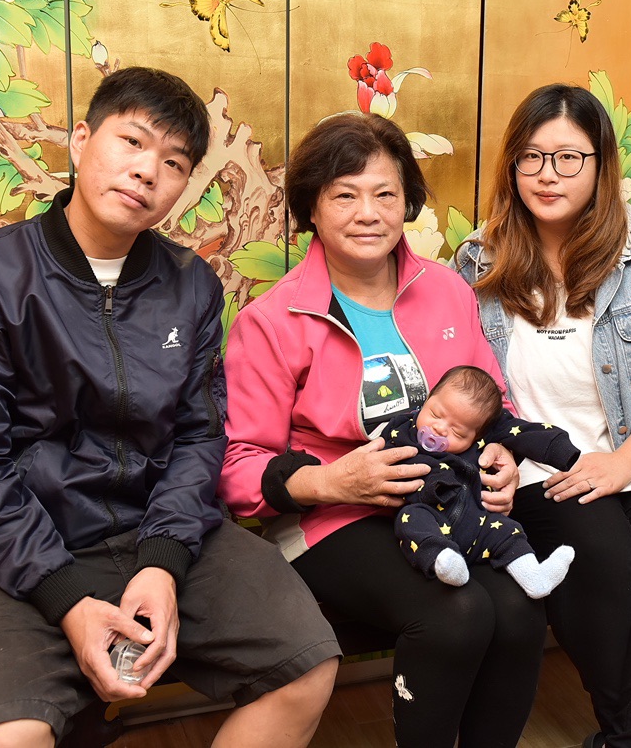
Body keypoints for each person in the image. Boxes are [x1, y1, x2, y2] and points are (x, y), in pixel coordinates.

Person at [0, 67, 340, 748]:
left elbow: (199, 436)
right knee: (6, 738)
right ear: (82, 141)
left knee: (306, 665)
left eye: (174, 163)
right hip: (26, 548)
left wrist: (163, 563)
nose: (147, 171)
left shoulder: (190, 284)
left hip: (164, 531)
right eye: (133, 142)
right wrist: (64, 598)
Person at [220, 114, 545, 748]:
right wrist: (332, 482)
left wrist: (502, 456)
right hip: (330, 520)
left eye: (385, 194)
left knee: (519, 607)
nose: (368, 213)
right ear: (313, 208)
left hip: (448, 504)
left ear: (407, 203)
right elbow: (238, 466)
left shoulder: (447, 291)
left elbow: (492, 402)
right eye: (345, 195)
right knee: (456, 613)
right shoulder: (272, 320)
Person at [455, 83, 631, 748]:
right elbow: (460, 372)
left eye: (568, 157)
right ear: (512, 166)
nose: (547, 175)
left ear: (601, 164)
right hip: (541, 466)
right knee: (603, 566)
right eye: (531, 157)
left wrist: (627, 460)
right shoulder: (479, 261)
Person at [385, 365, 576, 598]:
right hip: (429, 512)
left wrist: (561, 450)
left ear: (477, 434)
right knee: (411, 519)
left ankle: (534, 578)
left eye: (458, 432)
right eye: (435, 414)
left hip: (479, 520)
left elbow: (522, 431)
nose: (439, 429)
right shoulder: (400, 430)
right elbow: (373, 459)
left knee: (508, 530)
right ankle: (445, 561)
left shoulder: (485, 435)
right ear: (429, 397)